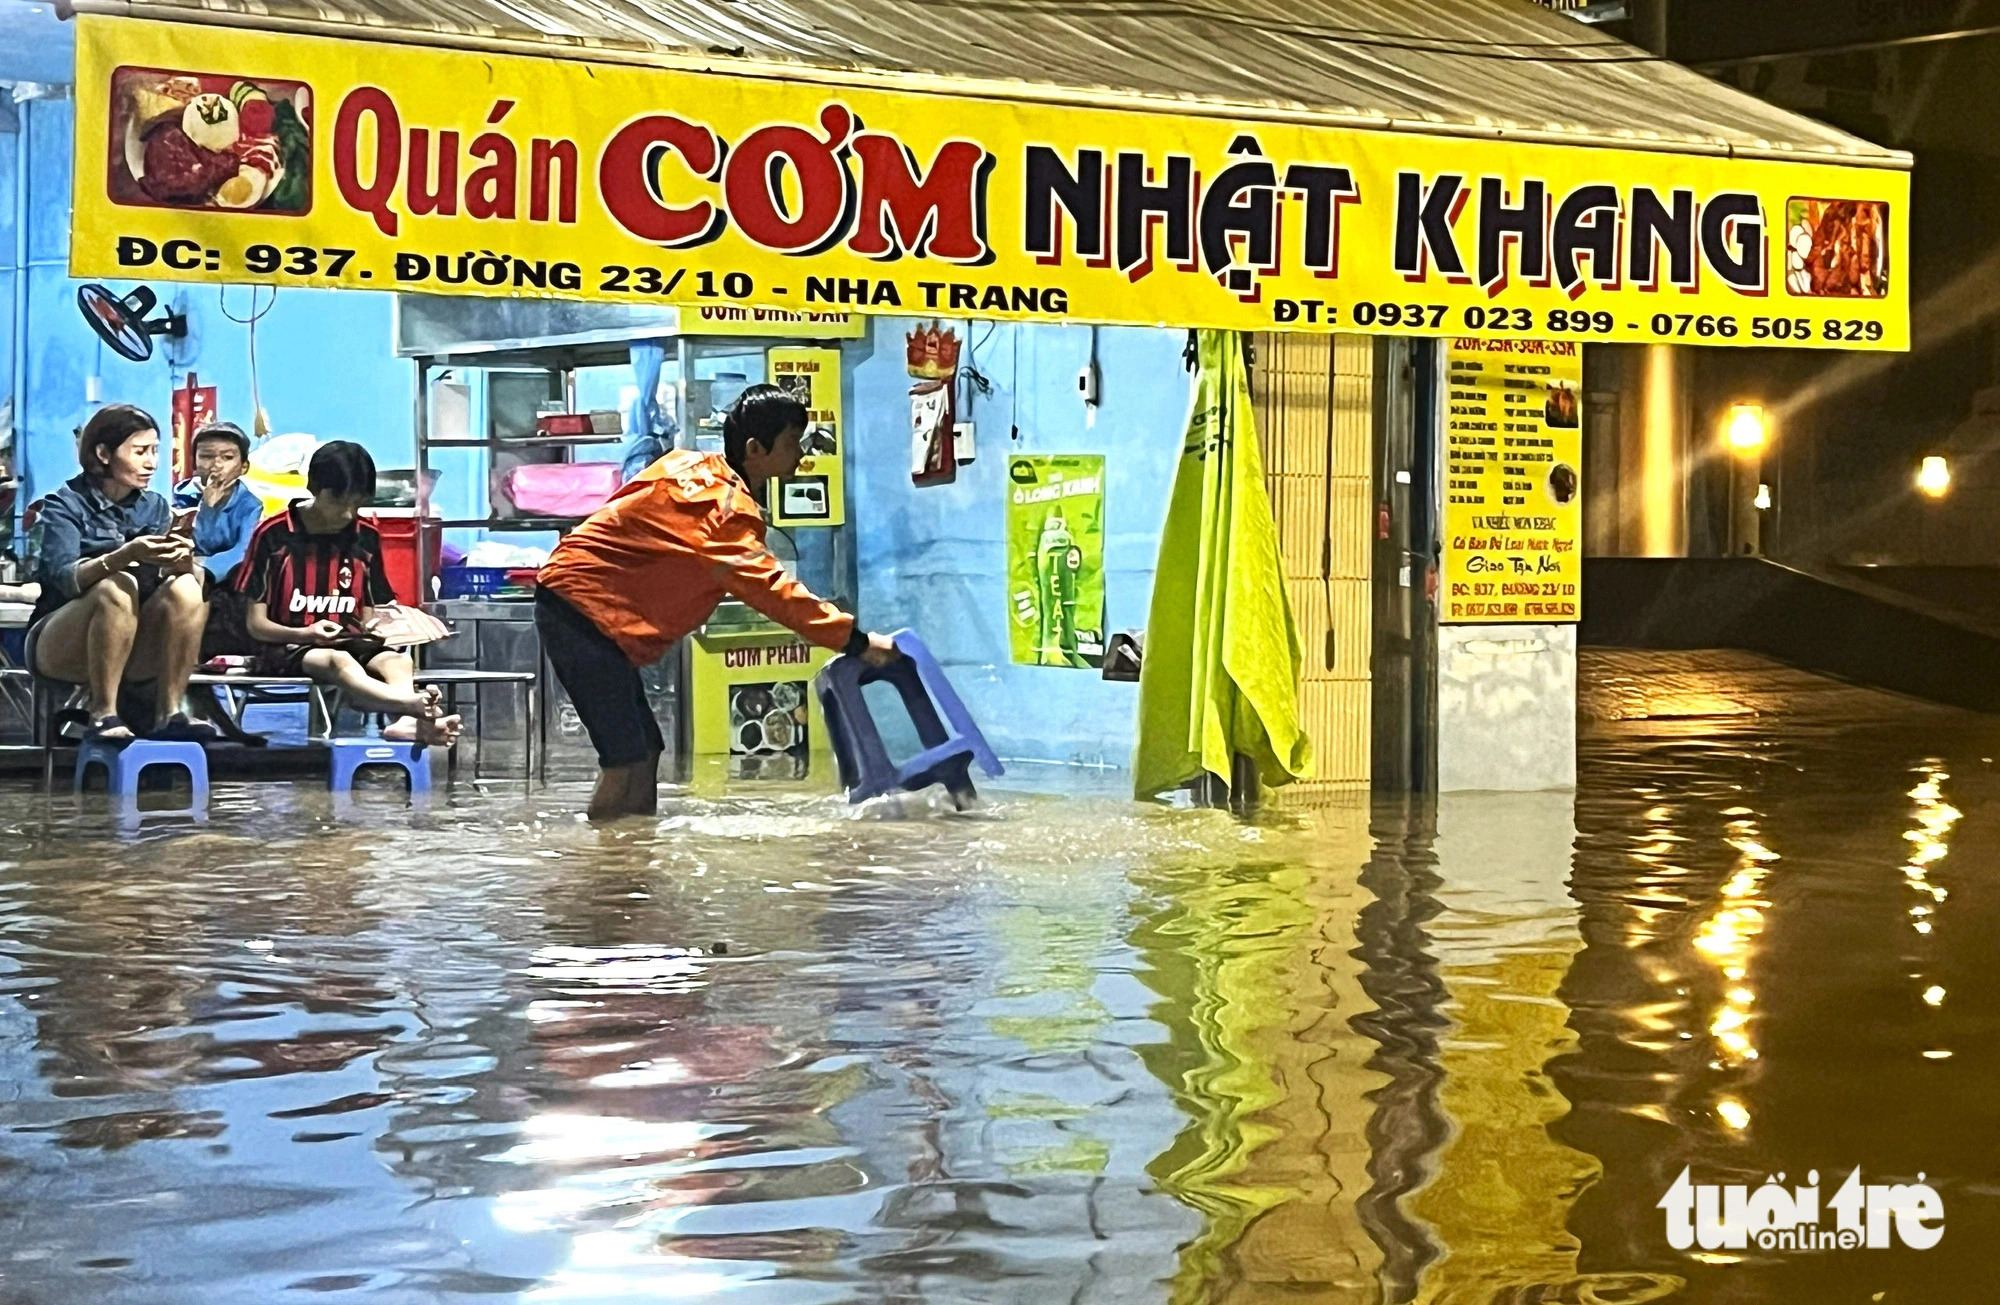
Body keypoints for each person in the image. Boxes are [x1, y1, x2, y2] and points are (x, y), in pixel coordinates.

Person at [538, 384, 898, 820]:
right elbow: (776, 594)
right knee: (625, 756)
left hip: (583, 602)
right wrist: (858, 642)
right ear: (754, 449)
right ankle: (605, 871)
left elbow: (620, 518)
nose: (799, 454)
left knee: (646, 748)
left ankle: (632, 862)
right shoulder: (725, 510)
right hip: (582, 609)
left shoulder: (684, 463)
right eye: (789, 443)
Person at [237, 440, 460, 745]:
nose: (346, 513)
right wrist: (306, 634)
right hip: (284, 647)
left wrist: (385, 628)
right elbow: (255, 625)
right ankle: (410, 705)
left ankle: (406, 722)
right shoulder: (274, 536)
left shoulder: (365, 536)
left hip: (348, 643)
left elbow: (369, 611)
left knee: (398, 662)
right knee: (337, 663)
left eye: (355, 504)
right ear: (314, 488)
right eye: (338, 501)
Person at [28, 403, 212, 743]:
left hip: (131, 641)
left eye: (156, 451)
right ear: (103, 454)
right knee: (116, 586)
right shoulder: (64, 505)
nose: (151, 463)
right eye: (140, 451)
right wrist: (123, 556)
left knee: (186, 587)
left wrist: (182, 561)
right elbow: (64, 578)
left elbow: (165, 584)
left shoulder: (155, 506)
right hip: (60, 642)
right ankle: (102, 713)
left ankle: (170, 711)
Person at [171, 420, 264, 586]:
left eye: (227, 457)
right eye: (206, 457)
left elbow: (243, 550)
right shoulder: (183, 496)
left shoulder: (250, 505)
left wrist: (204, 566)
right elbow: (191, 543)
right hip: (184, 572)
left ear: (244, 467)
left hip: (223, 576)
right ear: (194, 463)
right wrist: (207, 508)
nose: (216, 465)